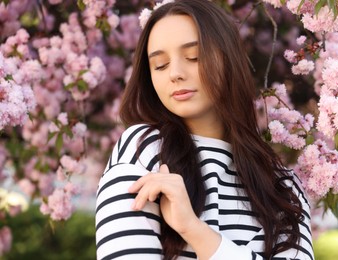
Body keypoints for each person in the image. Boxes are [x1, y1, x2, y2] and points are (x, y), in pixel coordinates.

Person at [95, 0, 313, 259]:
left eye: (193, 57)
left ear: (228, 59)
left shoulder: (282, 186)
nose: (175, 73)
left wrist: (195, 231)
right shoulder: (144, 150)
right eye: (160, 65)